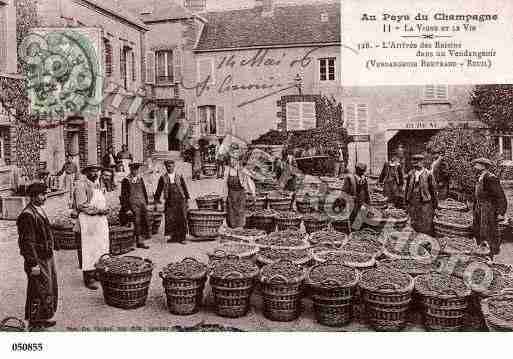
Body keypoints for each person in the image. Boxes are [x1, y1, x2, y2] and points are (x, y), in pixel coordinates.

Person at [17, 183, 58, 330]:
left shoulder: (39, 210)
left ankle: (43, 317)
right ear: (33, 196)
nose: (45, 197)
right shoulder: (27, 215)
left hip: (46, 256)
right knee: (37, 289)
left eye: (45, 194)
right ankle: (34, 323)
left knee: (47, 288)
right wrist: (33, 264)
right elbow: (27, 243)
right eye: (42, 195)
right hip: (37, 259)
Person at [73, 164, 109, 290]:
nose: (95, 174)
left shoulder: (98, 185)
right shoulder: (81, 186)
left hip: (98, 223)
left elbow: (102, 200)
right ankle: (88, 277)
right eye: (92, 172)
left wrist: (105, 209)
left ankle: (97, 272)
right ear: (87, 173)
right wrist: (99, 211)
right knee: (88, 249)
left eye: (96, 172)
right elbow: (81, 205)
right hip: (86, 223)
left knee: (99, 247)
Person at [472, 157, 507, 258]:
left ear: (483, 166)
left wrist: (501, 212)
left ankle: (490, 254)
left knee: (488, 231)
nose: (475, 166)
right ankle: (482, 252)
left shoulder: (491, 178)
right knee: (478, 230)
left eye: (477, 164)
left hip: (488, 208)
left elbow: (500, 196)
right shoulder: (480, 176)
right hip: (479, 207)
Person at [154, 160, 190, 244]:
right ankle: (173, 237)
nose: (169, 168)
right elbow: (159, 189)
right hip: (170, 200)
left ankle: (182, 238)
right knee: (171, 218)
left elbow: (184, 187)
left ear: (174, 166)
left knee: (181, 218)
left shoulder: (179, 176)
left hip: (180, 199)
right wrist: (156, 199)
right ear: (165, 167)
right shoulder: (163, 178)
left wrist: (187, 199)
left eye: (171, 166)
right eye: (167, 166)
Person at [404, 154, 438, 236]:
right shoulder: (411, 173)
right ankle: (416, 237)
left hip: (425, 201)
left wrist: (435, 204)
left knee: (425, 220)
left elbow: (433, 190)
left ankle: (426, 237)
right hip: (413, 200)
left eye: (418, 162)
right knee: (414, 219)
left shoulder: (428, 174)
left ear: (422, 162)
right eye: (415, 162)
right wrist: (406, 200)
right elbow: (407, 188)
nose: (416, 164)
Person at [120, 163, 151, 249]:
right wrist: (127, 208)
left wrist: (146, 203)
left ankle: (141, 240)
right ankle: (134, 242)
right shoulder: (126, 180)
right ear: (130, 170)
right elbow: (124, 196)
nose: (135, 171)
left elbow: (144, 191)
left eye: (136, 169)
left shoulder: (140, 179)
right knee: (135, 223)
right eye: (133, 169)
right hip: (132, 205)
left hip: (142, 203)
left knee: (143, 222)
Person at [224, 145, 256, 228]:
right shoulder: (227, 170)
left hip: (240, 194)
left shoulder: (242, 170)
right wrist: (223, 196)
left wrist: (253, 193)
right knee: (230, 212)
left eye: (234, 159)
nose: (232, 161)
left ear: (237, 160)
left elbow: (250, 182)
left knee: (240, 211)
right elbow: (224, 185)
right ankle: (232, 227)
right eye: (230, 159)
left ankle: (239, 228)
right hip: (231, 194)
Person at [341, 163, 370, 228]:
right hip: (353, 203)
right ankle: (353, 232)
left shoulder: (364, 178)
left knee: (362, 218)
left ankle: (361, 232)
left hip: (363, 202)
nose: (362, 172)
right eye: (361, 171)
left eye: (363, 171)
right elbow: (344, 193)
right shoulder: (349, 178)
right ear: (356, 170)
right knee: (353, 218)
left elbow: (366, 191)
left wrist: (368, 203)